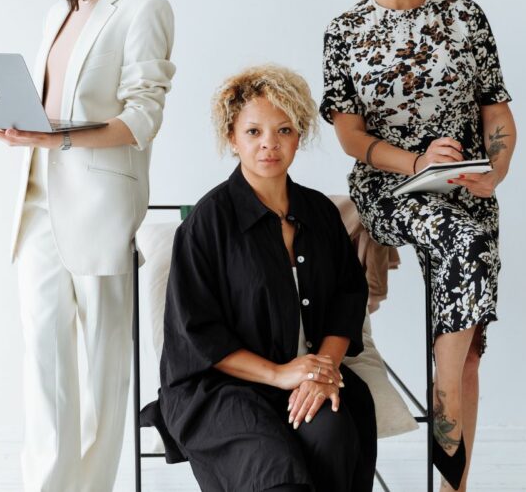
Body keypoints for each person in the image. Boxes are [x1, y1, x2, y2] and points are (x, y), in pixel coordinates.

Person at [0, 0, 175, 492]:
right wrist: (19, 127)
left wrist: (54, 137)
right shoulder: (59, 12)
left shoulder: (143, 8)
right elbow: (51, 106)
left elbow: (142, 118)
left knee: (101, 364)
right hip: (38, 200)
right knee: (43, 355)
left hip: (100, 205)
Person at [319, 0, 517, 492]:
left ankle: (454, 469)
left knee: (471, 343)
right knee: (459, 235)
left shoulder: (466, 17)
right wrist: (415, 162)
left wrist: (496, 170)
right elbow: (350, 136)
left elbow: (497, 113)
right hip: (388, 188)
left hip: (464, 186)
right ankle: (443, 387)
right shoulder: (346, 30)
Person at [158, 65, 376, 492]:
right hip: (224, 387)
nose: (269, 144)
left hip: (307, 375)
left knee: (335, 436)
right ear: (232, 137)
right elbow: (196, 334)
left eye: (284, 130)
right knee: (274, 473)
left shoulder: (320, 213)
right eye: (254, 131)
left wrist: (321, 369)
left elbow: (348, 298)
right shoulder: (207, 223)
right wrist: (279, 374)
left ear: (300, 135)